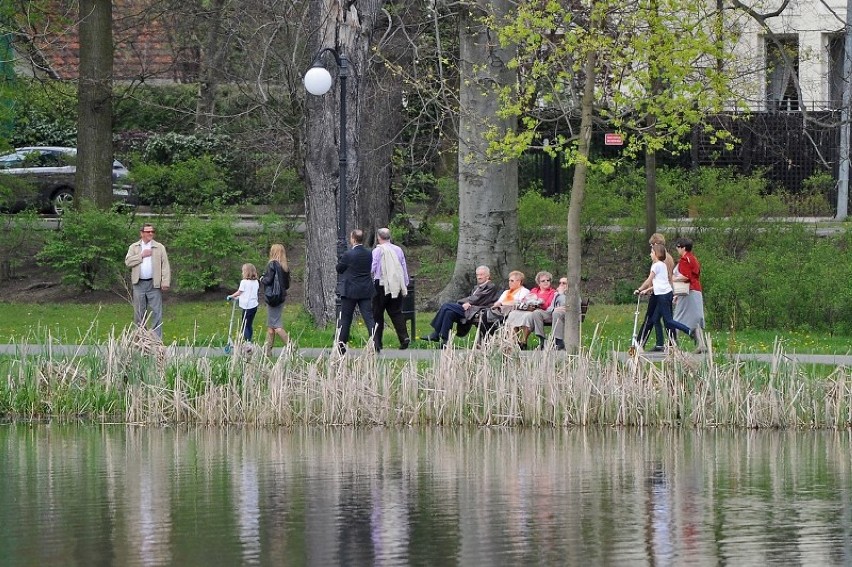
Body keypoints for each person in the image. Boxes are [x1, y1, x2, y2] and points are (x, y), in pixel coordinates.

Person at [420, 265, 500, 347]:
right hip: (470, 309)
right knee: (448, 312)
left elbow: (477, 299)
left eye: (481, 275)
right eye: (477, 275)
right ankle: (445, 342)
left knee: (446, 306)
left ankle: (436, 333)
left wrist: (463, 302)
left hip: (476, 311)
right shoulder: (477, 287)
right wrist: (468, 302)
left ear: (488, 276)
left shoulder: (490, 286)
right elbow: (474, 299)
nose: (479, 277)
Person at [635, 243, 694, 351]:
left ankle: (689, 331)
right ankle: (660, 345)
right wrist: (646, 290)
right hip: (665, 293)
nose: (650, 254)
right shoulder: (662, 265)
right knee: (655, 318)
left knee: (668, 320)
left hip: (662, 296)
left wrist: (639, 289)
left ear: (657, 254)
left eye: (652, 252)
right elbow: (660, 282)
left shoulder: (656, 265)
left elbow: (649, 279)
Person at [125, 223, 171, 339]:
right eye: (148, 232)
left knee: (156, 312)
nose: (151, 234)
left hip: (154, 284)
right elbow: (128, 262)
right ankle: (141, 340)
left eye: (152, 231)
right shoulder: (134, 247)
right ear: (142, 233)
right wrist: (141, 256)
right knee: (139, 314)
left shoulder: (159, 247)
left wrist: (165, 282)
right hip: (139, 284)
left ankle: (156, 341)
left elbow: (165, 265)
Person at [336, 229, 376, 354]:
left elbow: (340, 269)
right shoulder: (369, 253)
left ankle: (341, 346)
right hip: (365, 290)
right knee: (369, 317)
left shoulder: (349, 254)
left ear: (353, 239)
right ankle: (375, 342)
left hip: (350, 291)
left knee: (346, 319)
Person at [371, 227, 410, 352]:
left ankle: (377, 342)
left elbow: (373, 266)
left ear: (379, 237)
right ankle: (404, 337)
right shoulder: (398, 250)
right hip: (396, 285)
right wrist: (405, 283)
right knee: (396, 312)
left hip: (381, 285)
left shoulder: (377, 251)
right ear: (389, 237)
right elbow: (403, 267)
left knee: (377, 314)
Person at [505, 271, 557, 349]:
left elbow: (548, 305)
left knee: (529, 316)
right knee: (513, 314)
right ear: (539, 283)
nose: (546, 282)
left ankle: (524, 341)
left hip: (542, 312)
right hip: (529, 309)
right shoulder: (534, 290)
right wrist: (527, 304)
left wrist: (538, 304)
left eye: (548, 280)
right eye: (543, 281)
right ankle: (515, 340)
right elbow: (525, 300)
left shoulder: (552, 292)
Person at [639, 233, 674, 349]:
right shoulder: (668, 257)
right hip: (668, 290)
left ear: (655, 244)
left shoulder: (658, 260)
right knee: (664, 319)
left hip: (659, 292)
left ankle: (639, 342)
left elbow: (652, 277)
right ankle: (670, 343)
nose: (651, 249)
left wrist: (645, 289)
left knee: (649, 318)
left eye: (651, 245)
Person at [673, 237, 707, 353]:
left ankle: (673, 344)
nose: (677, 249)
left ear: (683, 247)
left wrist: (674, 280)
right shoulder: (693, 259)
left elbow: (685, 277)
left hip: (688, 291)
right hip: (696, 290)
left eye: (678, 247)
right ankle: (701, 344)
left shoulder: (684, 260)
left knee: (677, 317)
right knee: (695, 318)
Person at [260, 244, 290, 355]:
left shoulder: (272, 264)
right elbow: (286, 285)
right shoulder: (284, 267)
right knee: (271, 326)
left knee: (276, 326)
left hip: (272, 298)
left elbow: (267, 280)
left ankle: (290, 346)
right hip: (280, 298)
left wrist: (262, 278)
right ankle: (268, 351)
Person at [531, 276, 567, 349]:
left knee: (556, 313)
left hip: (565, 314)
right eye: (560, 283)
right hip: (552, 312)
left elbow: (565, 304)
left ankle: (558, 340)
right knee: (537, 313)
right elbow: (551, 306)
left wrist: (562, 294)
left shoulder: (572, 294)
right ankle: (542, 339)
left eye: (564, 283)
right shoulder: (557, 293)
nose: (561, 285)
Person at [227, 263, 259, 345]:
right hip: (254, 306)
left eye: (243, 271)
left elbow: (239, 292)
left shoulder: (244, 282)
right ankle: (249, 340)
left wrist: (231, 296)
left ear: (246, 272)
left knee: (244, 325)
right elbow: (249, 293)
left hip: (247, 307)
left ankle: (248, 342)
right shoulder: (256, 282)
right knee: (249, 324)